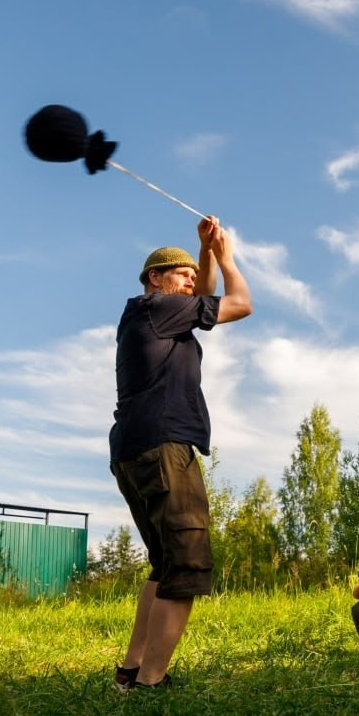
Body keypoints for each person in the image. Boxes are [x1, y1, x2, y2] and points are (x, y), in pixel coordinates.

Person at [109, 215, 252, 690]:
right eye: (183, 274)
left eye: (193, 276)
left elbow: (201, 300)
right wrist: (227, 259)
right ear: (156, 277)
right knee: (187, 565)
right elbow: (239, 304)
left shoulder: (149, 314)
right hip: (164, 445)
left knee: (164, 564)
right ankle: (151, 684)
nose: (191, 283)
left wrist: (204, 250)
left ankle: (130, 672)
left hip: (134, 446)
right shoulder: (159, 308)